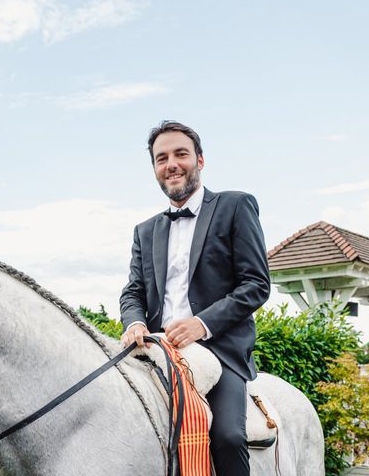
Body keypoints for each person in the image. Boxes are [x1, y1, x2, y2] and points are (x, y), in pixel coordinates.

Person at [119, 120, 270, 476]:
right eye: (161, 158)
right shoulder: (145, 230)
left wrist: (202, 325)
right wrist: (135, 321)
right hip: (155, 350)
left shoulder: (236, 206)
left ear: (200, 160)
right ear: (155, 169)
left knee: (229, 437)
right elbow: (133, 291)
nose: (171, 163)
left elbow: (256, 284)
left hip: (219, 351)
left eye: (180, 154)